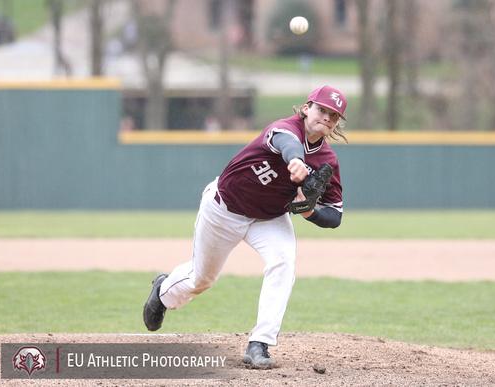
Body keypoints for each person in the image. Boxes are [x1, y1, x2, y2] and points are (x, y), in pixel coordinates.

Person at [143, 85, 349, 369]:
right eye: (321, 109)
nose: (326, 117)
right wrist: (297, 162)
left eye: (334, 115)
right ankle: (164, 291)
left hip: (269, 218)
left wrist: (310, 212)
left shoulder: (327, 160)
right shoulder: (284, 128)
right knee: (202, 279)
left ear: (338, 123)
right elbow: (287, 145)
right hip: (224, 209)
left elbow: (335, 216)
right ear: (306, 108)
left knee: (283, 262)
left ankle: (259, 344)